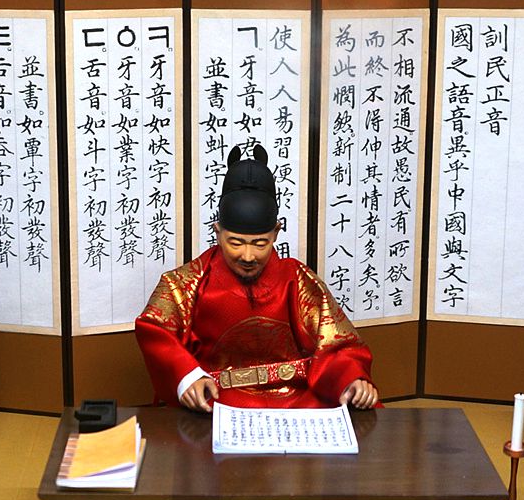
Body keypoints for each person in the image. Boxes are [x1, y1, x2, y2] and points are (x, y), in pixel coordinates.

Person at [135, 143, 379, 411]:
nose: (248, 256)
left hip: (295, 401)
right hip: (216, 402)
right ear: (218, 232)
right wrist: (187, 377)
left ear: (276, 232)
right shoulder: (185, 283)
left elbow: (335, 344)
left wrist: (350, 378)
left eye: (260, 243)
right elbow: (155, 329)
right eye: (235, 242)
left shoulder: (296, 280)